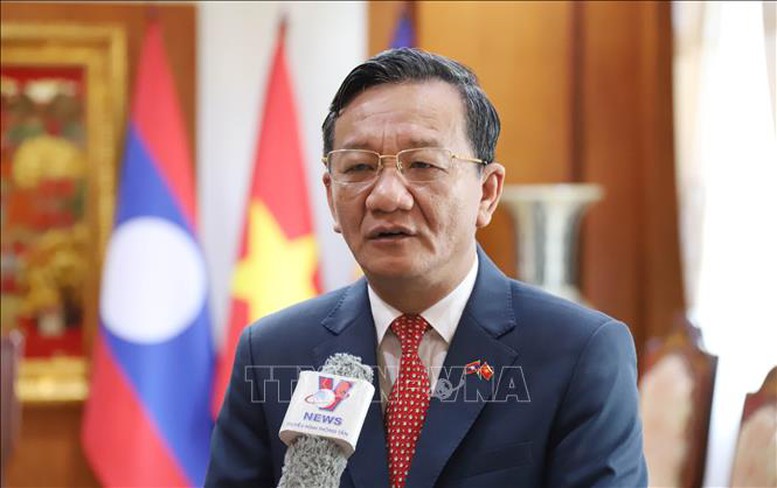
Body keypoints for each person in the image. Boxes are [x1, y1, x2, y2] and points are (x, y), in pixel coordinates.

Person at [206, 48, 647, 488]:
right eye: (358, 167)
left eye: (422, 164)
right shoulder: (271, 353)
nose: (386, 196)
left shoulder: (579, 352)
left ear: (487, 192)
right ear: (331, 198)